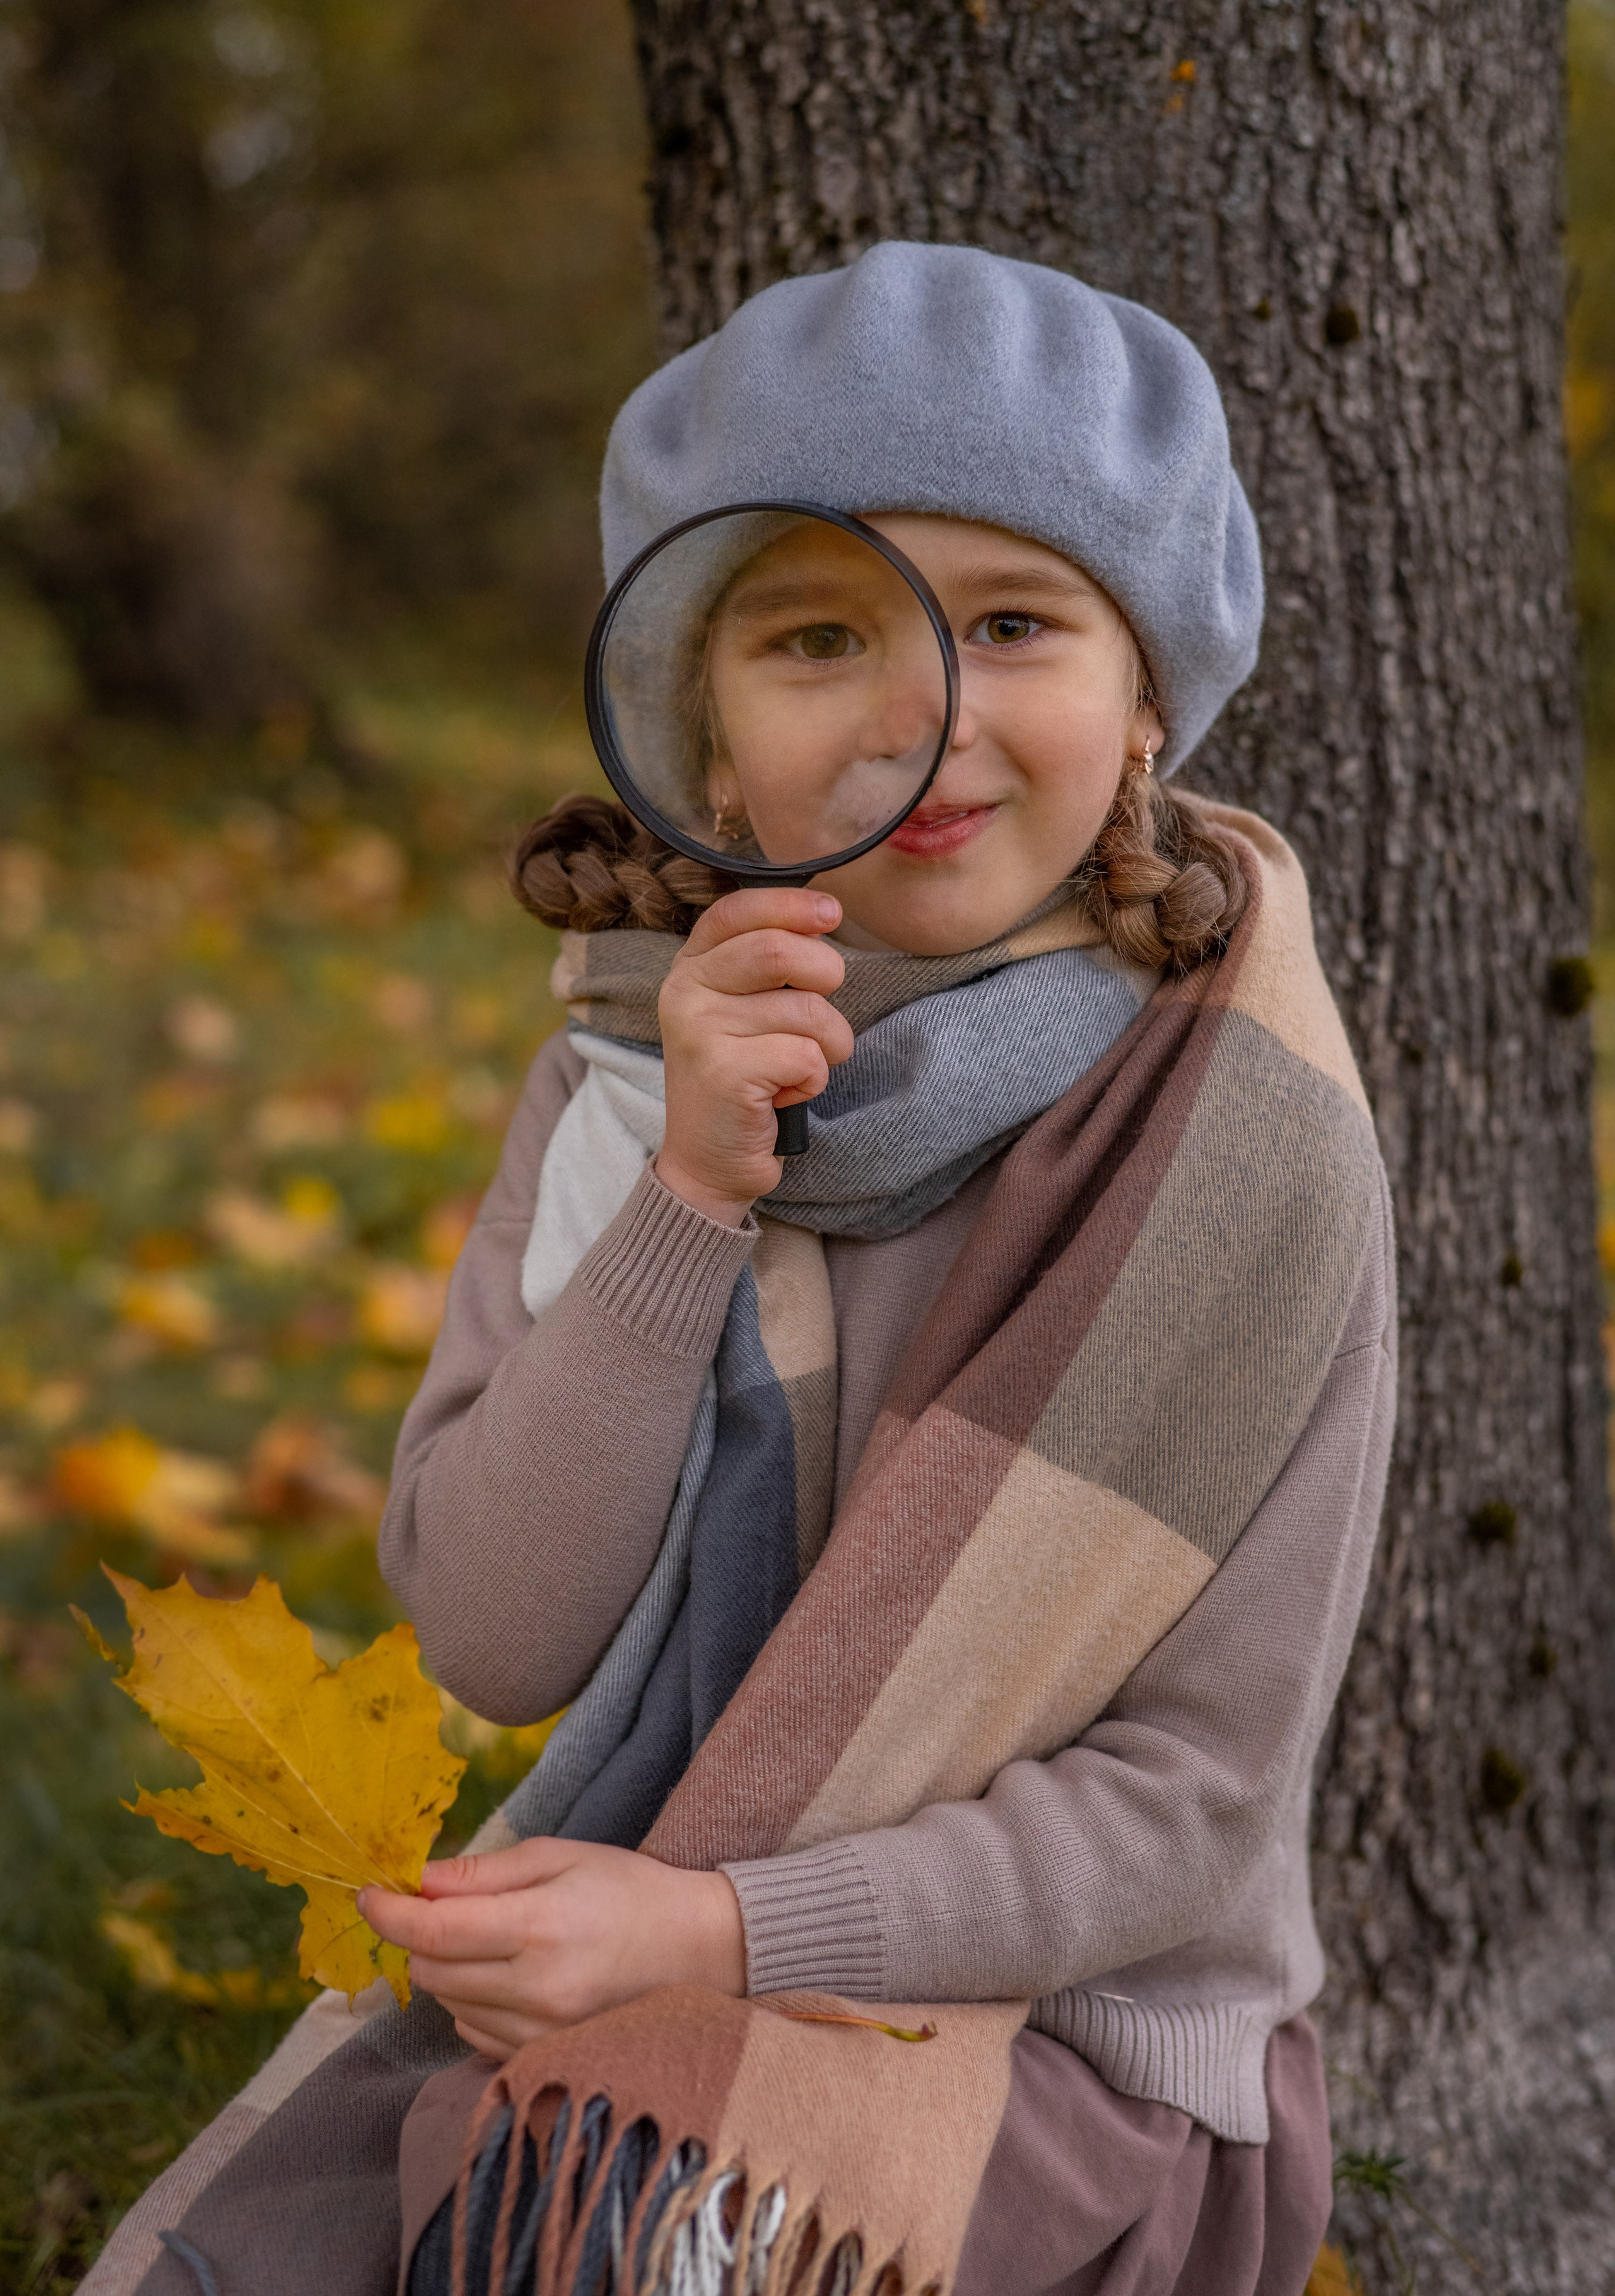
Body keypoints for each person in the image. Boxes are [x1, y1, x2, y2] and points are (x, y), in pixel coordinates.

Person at [90, 242, 1392, 2296]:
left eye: (1013, 622)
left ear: (1144, 695)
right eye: (816, 636)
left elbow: (1192, 1813)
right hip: (631, 1964)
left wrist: (713, 1935)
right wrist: (689, 1196)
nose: (919, 714)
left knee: (621, 2241)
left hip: (1078, 2050)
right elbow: (502, 1637)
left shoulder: (1237, 1151)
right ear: (701, 741)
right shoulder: (633, 1073)